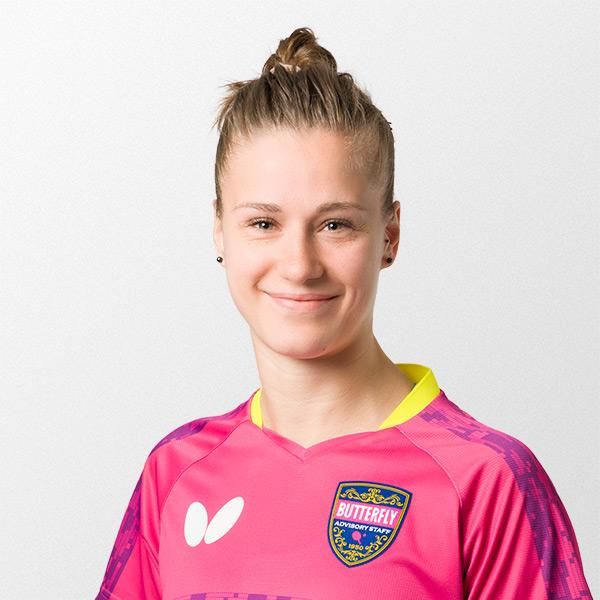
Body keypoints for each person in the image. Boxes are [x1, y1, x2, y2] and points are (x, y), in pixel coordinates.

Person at [95, 27, 592, 600]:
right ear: (220, 231)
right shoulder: (175, 473)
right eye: (263, 223)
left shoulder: (487, 480)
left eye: (335, 225)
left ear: (390, 235)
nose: (299, 265)